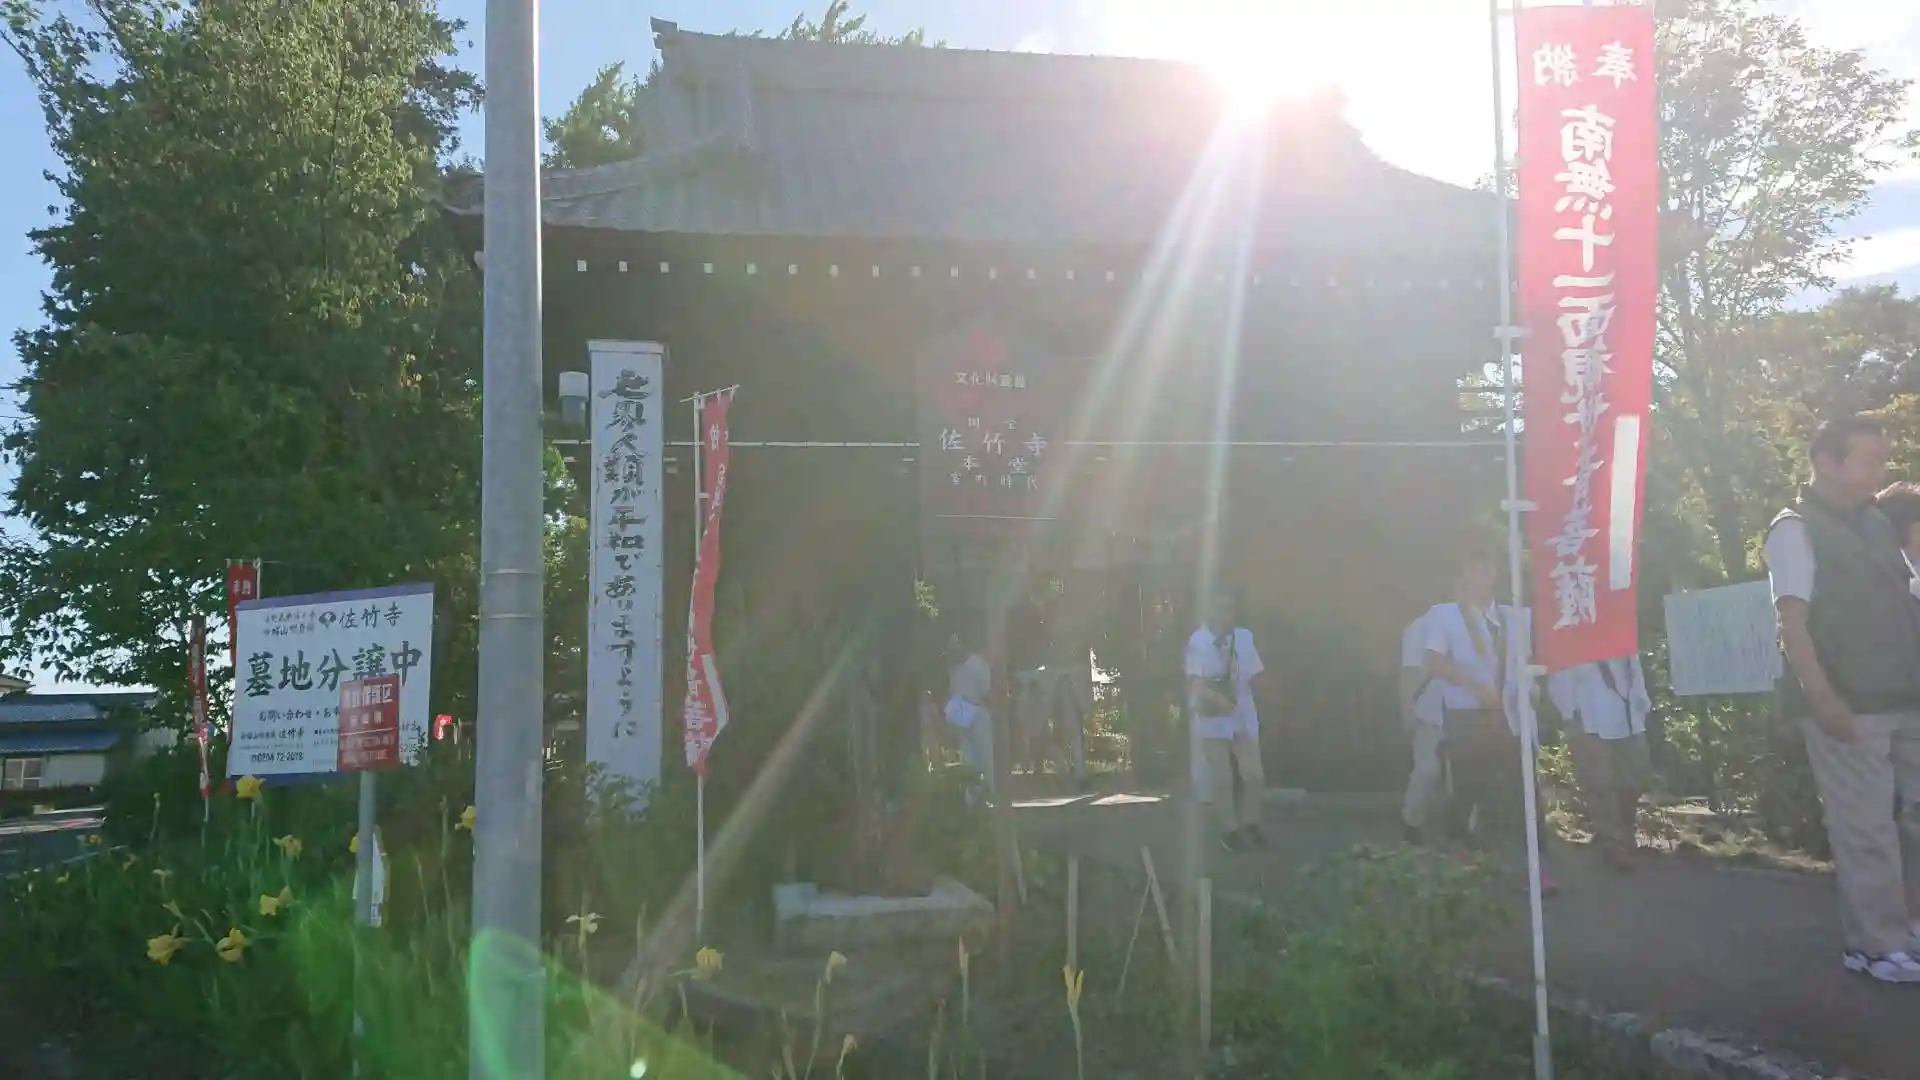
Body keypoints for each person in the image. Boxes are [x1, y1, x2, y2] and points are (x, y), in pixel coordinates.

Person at [1765, 415, 1920, 984]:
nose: (1879, 470)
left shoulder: (1877, 521)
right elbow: (1792, 622)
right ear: (1826, 462)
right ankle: (1875, 945)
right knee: (1866, 826)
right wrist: (1822, 697)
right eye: (1867, 459)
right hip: (1848, 703)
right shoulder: (1794, 528)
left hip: (1907, 695)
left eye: (1882, 458)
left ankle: (1909, 927)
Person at [1422, 546, 1552, 893]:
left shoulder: (1515, 617)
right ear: (1464, 575)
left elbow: (1525, 663)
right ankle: (1460, 863)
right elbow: (1435, 662)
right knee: (1467, 790)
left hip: (1511, 716)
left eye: (1488, 569)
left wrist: (1532, 688)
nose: (1483, 576)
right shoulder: (1445, 615)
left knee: (1525, 793)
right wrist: (1475, 686)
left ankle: (1535, 868)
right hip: (1468, 715)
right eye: (1475, 569)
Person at [1549, 655, 1653, 873]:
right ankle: (1612, 843)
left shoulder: (1618, 633)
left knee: (1636, 773)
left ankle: (1623, 832)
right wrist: (1569, 711)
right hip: (1588, 714)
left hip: (1626, 711)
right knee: (1599, 783)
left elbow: (1632, 660)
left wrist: (1641, 700)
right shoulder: (1570, 635)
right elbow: (1560, 670)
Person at [1185, 589, 1268, 851]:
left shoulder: (1244, 637)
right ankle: (1229, 832)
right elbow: (1195, 682)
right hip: (1212, 713)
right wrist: (1217, 700)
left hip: (1241, 711)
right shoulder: (1198, 641)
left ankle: (1251, 824)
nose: (1225, 614)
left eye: (1229, 608)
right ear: (1209, 610)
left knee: (1254, 775)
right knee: (1222, 777)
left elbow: (1255, 674)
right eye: (1219, 607)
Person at [1399, 607, 1447, 845]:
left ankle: (1466, 831)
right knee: (1428, 769)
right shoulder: (1419, 627)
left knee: (1467, 771)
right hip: (1430, 710)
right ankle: (1411, 821)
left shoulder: (1477, 622)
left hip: (1469, 707)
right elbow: (1410, 670)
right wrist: (1407, 707)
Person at [944, 631, 996, 800]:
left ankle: (978, 795)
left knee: (975, 754)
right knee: (977, 753)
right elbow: (985, 694)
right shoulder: (970, 666)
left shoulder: (966, 665)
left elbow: (954, 689)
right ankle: (981, 794)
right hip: (969, 708)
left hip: (966, 707)